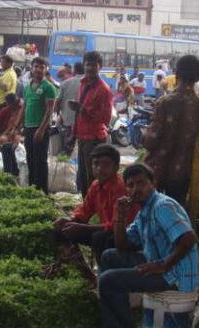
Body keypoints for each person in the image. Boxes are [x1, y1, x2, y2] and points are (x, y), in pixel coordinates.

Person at [98, 163, 199, 328]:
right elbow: (123, 245)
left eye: (141, 183)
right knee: (109, 256)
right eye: (130, 185)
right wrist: (119, 216)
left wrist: (163, 265)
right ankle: (114, 321)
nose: (136, 189)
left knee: (109, 281)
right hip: (159, 262)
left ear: (153, 183)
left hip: (175, 273)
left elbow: (188, 238)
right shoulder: (144, 210)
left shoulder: (162, 206)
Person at [143, 55, 199, 206]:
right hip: (184, 171)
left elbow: (150, 141)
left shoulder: (165, 102)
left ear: (176, 73)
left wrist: (144, 136)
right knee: (175, 212)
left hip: (157, 170)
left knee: (153, 212)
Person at [54, 144, 139, 265]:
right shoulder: (96, 185)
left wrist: (82, 227)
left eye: (105, 164)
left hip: (126, 235)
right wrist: (72, 219)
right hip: (109, 230)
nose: (99, 168)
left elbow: (116, 226)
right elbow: (85, 209)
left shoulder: (120, 188)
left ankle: (105, 273)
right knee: (64, 227)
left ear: (116, 167)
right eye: (96, 164)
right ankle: (70, 264)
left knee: (99, 238)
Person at [71, 51, 112, 196]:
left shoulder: (104, 89)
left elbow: (106, 119)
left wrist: (83, 110)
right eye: (88, 64)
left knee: (93, 179)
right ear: (84, 65)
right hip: (82, 137)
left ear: (99, 67)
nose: (90, 68)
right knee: (83, 177)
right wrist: (73, 133)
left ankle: (95, 212)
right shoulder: (82, 83)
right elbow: (79, 113)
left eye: (94, 65)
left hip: (95, 139)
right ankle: (86, 209)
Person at [24, 56, 57, 193]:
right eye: (36, 66)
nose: (38, 69)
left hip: (41, 129)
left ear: (46, 69)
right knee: (30, 159)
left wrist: (41, 129)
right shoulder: (28, 86)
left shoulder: (49, 87)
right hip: (28, 127)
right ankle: (32, 189)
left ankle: (43, 192)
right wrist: (17, 126)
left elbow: (50, 111)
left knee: (40, 161)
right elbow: (24, 107)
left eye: (41, 67)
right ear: (32, 68)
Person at [0, 93, 24, 176]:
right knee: (4, 143)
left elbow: (20, 125)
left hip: (19, 134)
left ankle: (13, 171)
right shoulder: (5, 110)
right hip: (9, 134)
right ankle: (9, 172)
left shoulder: (22, 109)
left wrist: (16, 131)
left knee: (12, 144)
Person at [56, 61, 84, 155]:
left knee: (68, 147)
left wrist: (59, 114)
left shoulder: (65, 83)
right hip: (84, 122)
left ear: (74, 71)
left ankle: (67, 166)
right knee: (82, 149)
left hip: (67, 120)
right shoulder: (89, 82)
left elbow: (58, 102)